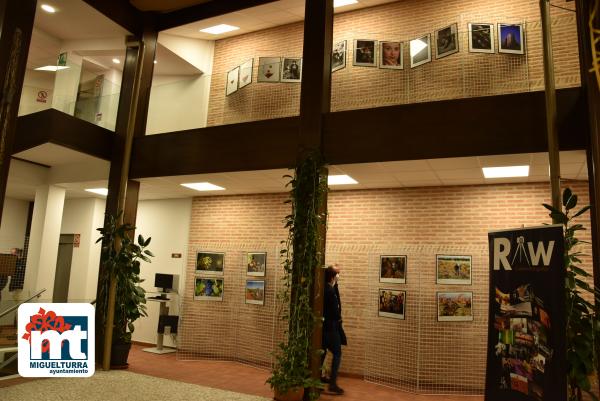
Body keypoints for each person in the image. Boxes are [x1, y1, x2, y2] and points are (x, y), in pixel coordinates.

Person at [322, 264, 345, 395]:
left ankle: (317, 379)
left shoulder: (325, 288)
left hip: (324, 327)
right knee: (337, 354)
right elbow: (336, 310)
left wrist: (335, 285)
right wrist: (339, 319)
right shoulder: (329, 291)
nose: (338, 276)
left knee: (323, 352)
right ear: (332, 276)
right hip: (331, 328)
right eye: (337, 274)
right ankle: (332, 384)